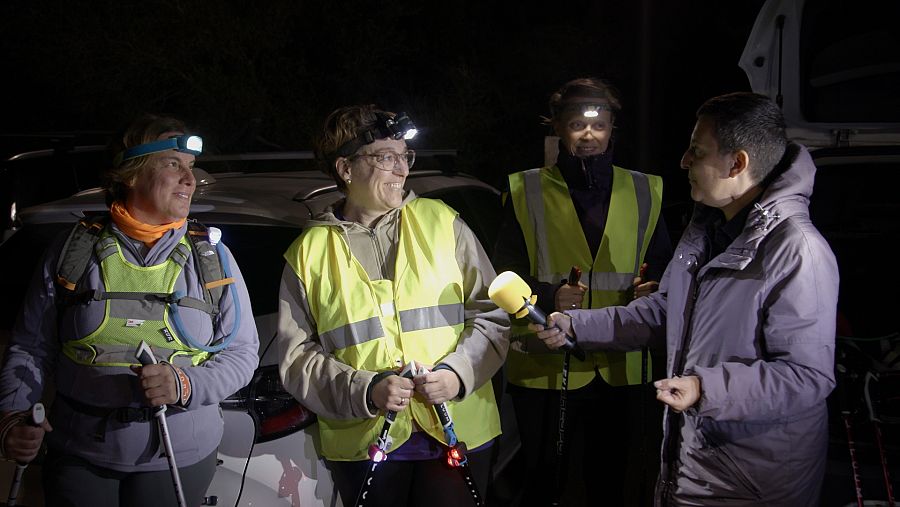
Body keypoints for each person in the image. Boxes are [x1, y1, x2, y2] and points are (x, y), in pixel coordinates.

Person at [533, 91, 839, 506]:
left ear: (738, 163)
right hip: (696, 461)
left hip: (752, 483)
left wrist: (704, 387)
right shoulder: (708, 231)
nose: (683, 161)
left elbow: (807, 377)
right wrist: (578, 325)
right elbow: (666, 311)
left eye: (697, 151)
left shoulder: (797, 250)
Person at [0, 114, 260, 506]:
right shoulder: (73, 251)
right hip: (80, 453)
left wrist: (184, 385)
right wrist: (14, 418)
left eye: (190, 168)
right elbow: (30, 348)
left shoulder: (212, 257)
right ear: (131, 174)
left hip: (179, 457)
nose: (190, 179)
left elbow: (242, 354)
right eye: (173, 164)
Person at [276, 104, 509, 506]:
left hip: (457, 428)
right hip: (365, 443)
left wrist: (456, 375)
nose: (402, 169)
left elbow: (493, 313)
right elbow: (297, 358)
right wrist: (364, 391)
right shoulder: (307, 253)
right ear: (346, 169)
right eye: (386, 157)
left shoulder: (443, 222)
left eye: (405, 157)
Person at [492, 77, 672, 506]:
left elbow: (665, 262)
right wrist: (549, 295)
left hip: (623, 362)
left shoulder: (646, 188)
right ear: (557, 128)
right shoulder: (524, 189)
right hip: (547, 364)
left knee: (612, 479)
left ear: (612, 129)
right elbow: (503, 273)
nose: (589, 136)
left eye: (599, 126)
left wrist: (656, 284)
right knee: (542, 482)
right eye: (577, 125)